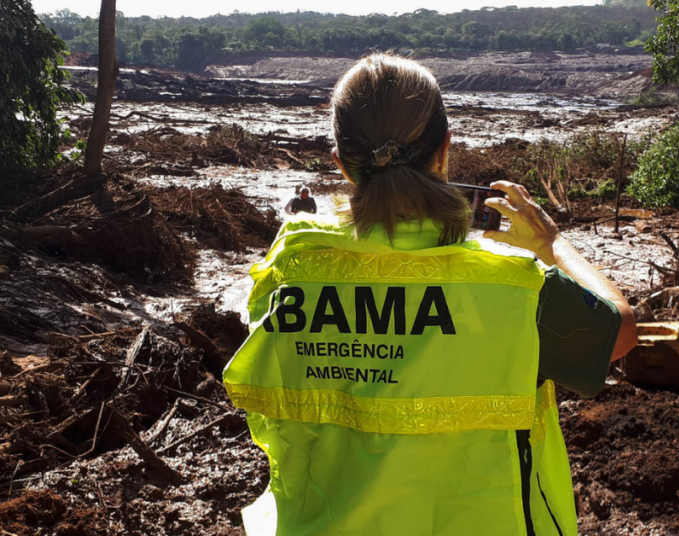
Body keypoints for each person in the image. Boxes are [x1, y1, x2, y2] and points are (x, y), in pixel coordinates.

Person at [223, 54, 637, 536]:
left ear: (341, 163)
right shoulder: (515, 288)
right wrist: (550, 243)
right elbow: (621, 331)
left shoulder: (290, 267)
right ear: (444, 149)